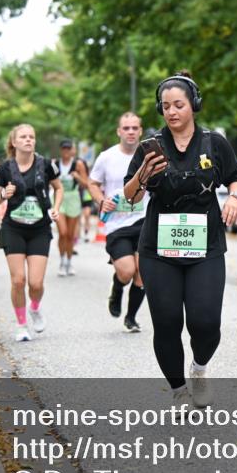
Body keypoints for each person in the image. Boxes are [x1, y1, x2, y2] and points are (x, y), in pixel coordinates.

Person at [123, 70, 237, 408]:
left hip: (205, 246)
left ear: (193, 105)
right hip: (158, 249)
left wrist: (234, 198)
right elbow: (130, 196)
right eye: (166, 106)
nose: (172, 112)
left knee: (205, 322)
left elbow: (235, 177)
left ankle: (199, 369)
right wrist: (141, 174)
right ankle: (178, 390)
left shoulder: (214, 142)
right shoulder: (151, 146)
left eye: (178, 104)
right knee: (167, 322)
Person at [0, 124, 62, 342]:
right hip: (13, 227)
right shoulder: (4, 169)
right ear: (14, 142)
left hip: (40, 228)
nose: (28, 140)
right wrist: (3, 193)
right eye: (23, 137)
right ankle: (21, 325)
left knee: (36, 283)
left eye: (32, 137)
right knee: (18, 280)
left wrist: (56, 207)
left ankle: (35, 308)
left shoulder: (46, 165)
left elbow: (58, 187)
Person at [89, 113, 149, 333]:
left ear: (140, 131)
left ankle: (131, 318)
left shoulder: (148, 156)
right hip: (117, 225)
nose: (131, 132)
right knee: (126, 271)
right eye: (126, 128)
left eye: (135, 128)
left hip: (143, 221)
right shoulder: (106, 157)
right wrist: (101, 201)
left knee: (142, 272)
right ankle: (117, 288)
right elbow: (93, 183)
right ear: (119, 131)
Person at [54, 140, 89, 276]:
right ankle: (62, 261)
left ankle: (69, 262)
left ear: (72, 150)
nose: (66, 151)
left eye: (69, 149)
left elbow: (86, 183)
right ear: (61, 150)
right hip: (60, 198)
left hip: (73, 198)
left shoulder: (78, 164)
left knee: (69, 234)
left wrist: (77, 177)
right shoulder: (55, 164)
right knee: (62, 232)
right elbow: (49, 181)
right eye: (64, 149)